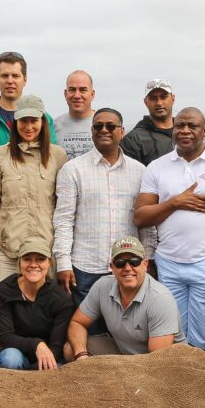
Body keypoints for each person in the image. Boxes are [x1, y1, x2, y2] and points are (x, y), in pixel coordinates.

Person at [134, 107, 205, 367]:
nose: (185, 131)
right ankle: (177, 390)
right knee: (172, 340)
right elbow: (141, 216)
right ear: (173, 129)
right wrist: (175, 202)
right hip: (169, 264)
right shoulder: (158, 167)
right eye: (180, 125)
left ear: (204, 130)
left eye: (192, 126)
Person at [0, 94, 67, 357]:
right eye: (23, 121)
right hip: (8, 250)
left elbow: (63, 206)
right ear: (15, 123)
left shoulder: (57, 156)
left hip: (44, 252)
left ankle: (44, 365)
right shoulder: (1, 156)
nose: (29, 126)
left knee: (46, 314)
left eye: (34, 121)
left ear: (43, 122)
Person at [53, 108, 153, 321]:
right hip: (85, 267)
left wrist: (148, 258)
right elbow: (63, 220)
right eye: (98, 126)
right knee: (87, 331)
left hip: (128, 267)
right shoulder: (72, 170)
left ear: (122, 131)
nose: (104, 130)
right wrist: (63, 263)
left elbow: (146, 223)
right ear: (92, 131)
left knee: (127, 331)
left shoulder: (140, 172)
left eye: (111, 126)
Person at [66, 237, 184, 358]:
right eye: (120, 263)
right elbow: (77, 322)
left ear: (145, 264)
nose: (127, 268)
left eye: (134, 261)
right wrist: (81, 354)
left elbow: (157, 360)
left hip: (163, 362)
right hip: (124, 352)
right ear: (112, 267)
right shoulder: (102, 286)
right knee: (70, 350)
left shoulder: (160, 299)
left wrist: (119, 367)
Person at [0, 51, 57, 199]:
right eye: (4, 76)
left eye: (15, 76)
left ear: (25, 80)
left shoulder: (44, 118)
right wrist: (4, 195)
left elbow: (50, 161)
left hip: (37, 202)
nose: (10, 81)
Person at [0, 237, 74, 370]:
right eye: (27, 259)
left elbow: (56, 347)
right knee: (10, 358)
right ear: (19, 262)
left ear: (49, 263)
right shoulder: (5, 290)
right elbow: (6, 337)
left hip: (49, 360)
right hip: (17, 355)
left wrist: (34, 374)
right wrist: (36, 344)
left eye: (40, 259)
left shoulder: (61, 299)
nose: (33, 265)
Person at [120, 79, 174, 166]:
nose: (159, 103)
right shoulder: (133, 140)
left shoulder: (186, 132)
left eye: (163, 97)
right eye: (153, 98)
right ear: (145, 102)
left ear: (173, 98)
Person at [53, 70, 96, 160]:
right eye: (72, 90)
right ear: (65, 94)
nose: (77, 95)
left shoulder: (103, 125)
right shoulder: (54, 125)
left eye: (83, 90)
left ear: (92, 94)